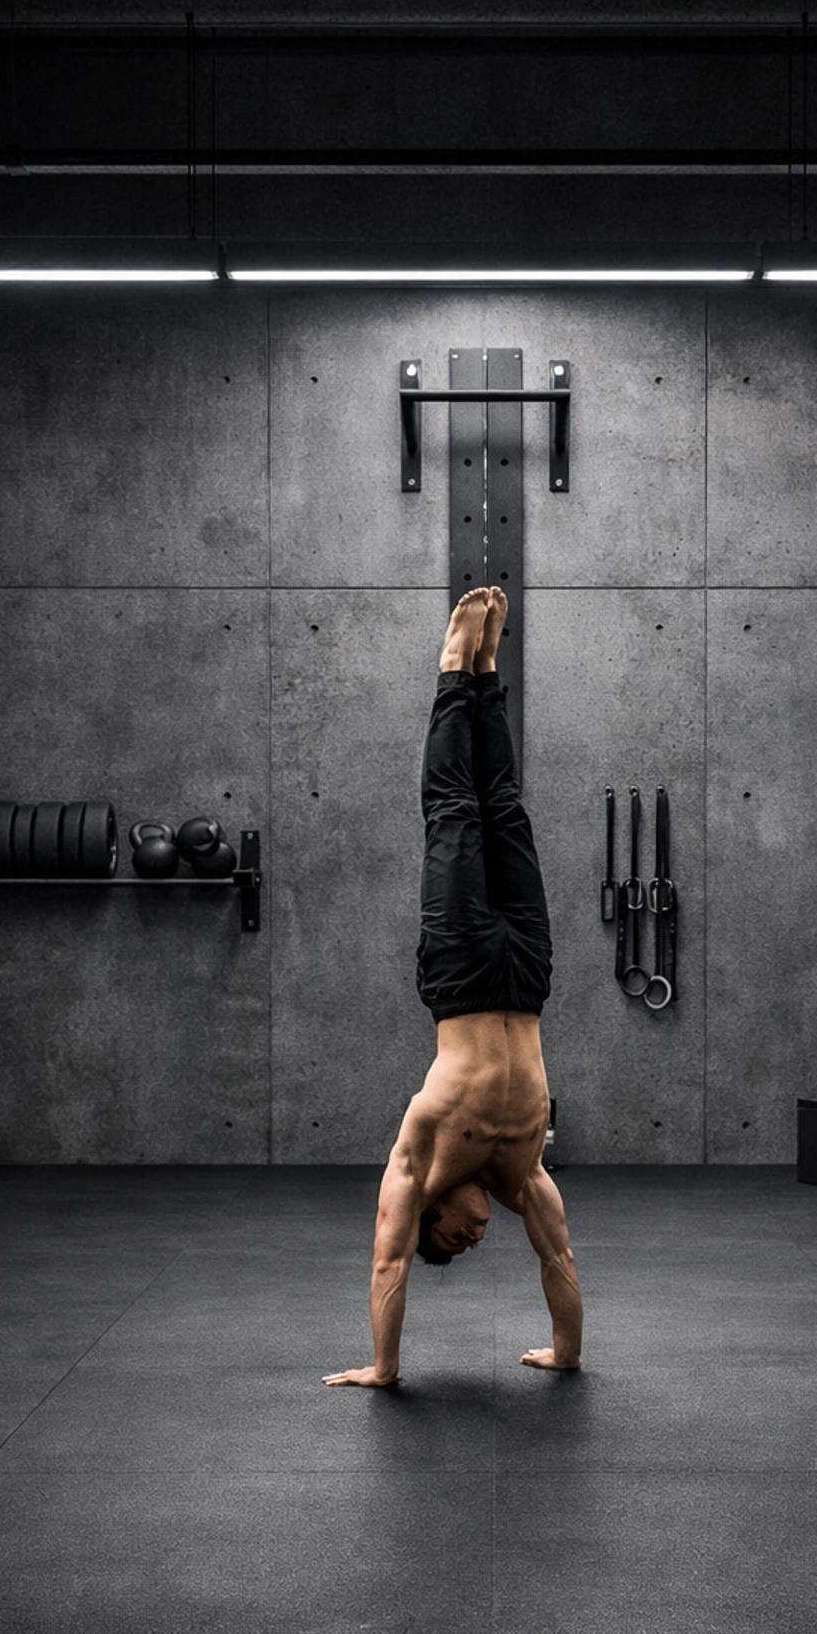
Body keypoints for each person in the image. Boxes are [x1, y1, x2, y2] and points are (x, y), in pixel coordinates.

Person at [324, 586, 583, 1387]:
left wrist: (384, 1368)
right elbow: (561, 1259)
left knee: (452, 813)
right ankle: (489, 672)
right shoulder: (522, 1175)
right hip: (528, 976)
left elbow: (386, 1263)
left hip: (465, 974)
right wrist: (566, 1354)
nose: (473, 1240)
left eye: (453, 1239)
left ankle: (452, 668)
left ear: (433, 1213)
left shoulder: (415, 1166)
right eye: (465, 1245)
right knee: (504, 809)